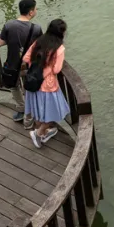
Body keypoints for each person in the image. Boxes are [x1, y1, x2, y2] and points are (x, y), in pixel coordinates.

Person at [23, 18, 70, 148]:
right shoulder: (59, 49)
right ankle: (38, 133)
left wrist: (37, 65)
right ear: (61, 33)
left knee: (38, 111)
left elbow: (26, 58)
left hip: (33, 82)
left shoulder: (39, 41)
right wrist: (47, 67)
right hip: (47, 85)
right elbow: (56, 69)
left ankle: (42, 133)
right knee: (53, 112)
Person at [0, 0, 41, 128]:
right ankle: (30, 112)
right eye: (35, 9)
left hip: (12, 64)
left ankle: (21, 108)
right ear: (31, 12)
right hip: (29, 65)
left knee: (14, 87)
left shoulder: (9, 25)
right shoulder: (36, 29)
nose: (36, 11)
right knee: (28, 87)